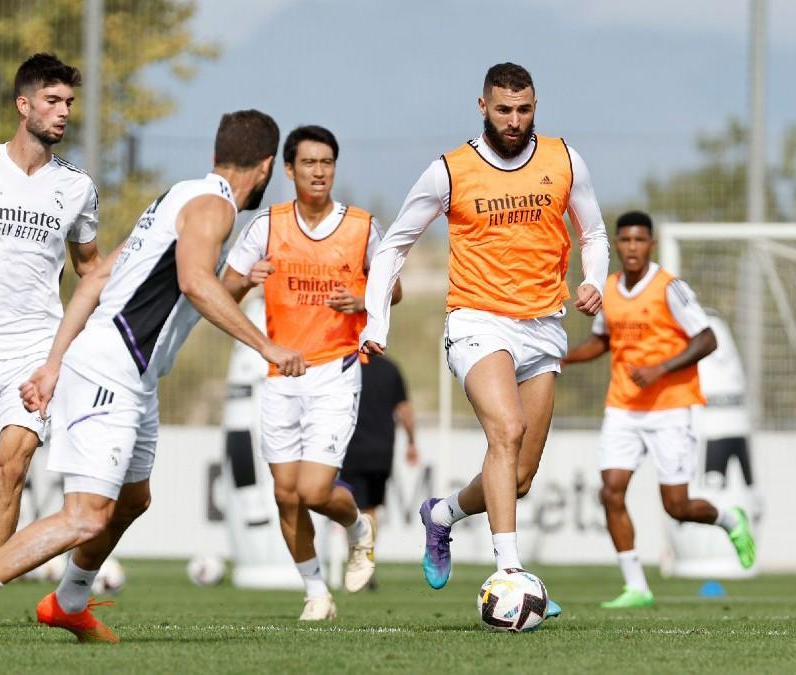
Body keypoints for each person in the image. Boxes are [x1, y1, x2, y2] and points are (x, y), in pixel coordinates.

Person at [0, 109, 301, 648]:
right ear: (268, 165)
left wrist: (53, 362)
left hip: (131, 377)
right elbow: (195, 283)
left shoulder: (177, 198)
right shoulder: (215, 209)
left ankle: (67, 602)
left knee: (133, 500)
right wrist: (266, 344)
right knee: (84, 517)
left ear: (215, 156)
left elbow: (97, 280)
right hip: (112, 371)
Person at [360, 63, 609, 618]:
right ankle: (510, 574)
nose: (515, 120)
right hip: (477, 321)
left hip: (543, 325)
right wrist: (377, 321)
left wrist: (593, 279)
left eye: (524, 110)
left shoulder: (564, 160)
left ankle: (443, 514)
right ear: (482, 107)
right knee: (508, 430)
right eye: (504, 110)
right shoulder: (450, 171)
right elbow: (393, 246)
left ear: (535, 105)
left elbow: (593, 233)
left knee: (518, 476)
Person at [0, 53, 101, 630]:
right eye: (53, 101)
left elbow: (89, 267)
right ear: (24, 104)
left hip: (34, 355)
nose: (63, 113)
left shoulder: (77, 188)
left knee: (12, 469)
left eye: (68, 103)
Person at [221, 125, 397, 620]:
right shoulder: (266, 227)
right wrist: (245, 281)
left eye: (327, 163)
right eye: (309, 163)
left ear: (334, 168)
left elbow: (393, 291)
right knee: (285, 495)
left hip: (336, 370)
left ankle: (359, 529)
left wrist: (363, 298)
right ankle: (316, 593)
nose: (318, 171)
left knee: (314, 491)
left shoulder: (362, 227)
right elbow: (221, 292)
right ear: (289, 169)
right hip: (280, 375)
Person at [562, 211, 755, 608]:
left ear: (651, 244)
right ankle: (637, 587)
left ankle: (731, 520)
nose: (632, 248)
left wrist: (661, 368)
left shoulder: (670, 288)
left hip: (670, 407)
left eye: (640, 241)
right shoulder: (609, 289)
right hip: (623, 407)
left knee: (677, 507)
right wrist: (563, 357)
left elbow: (707, 340)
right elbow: (602, 341)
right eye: (626, 240)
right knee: (611, 491)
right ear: (616, 245)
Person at [338, 353, 419, 589]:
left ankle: (358, 562)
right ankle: (367, 561)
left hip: (350, 447)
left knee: (351, 508)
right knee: (371, 510)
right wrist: (412, 443)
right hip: (381, 451)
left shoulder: (345, 364)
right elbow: (404, 410)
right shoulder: (390, 368)